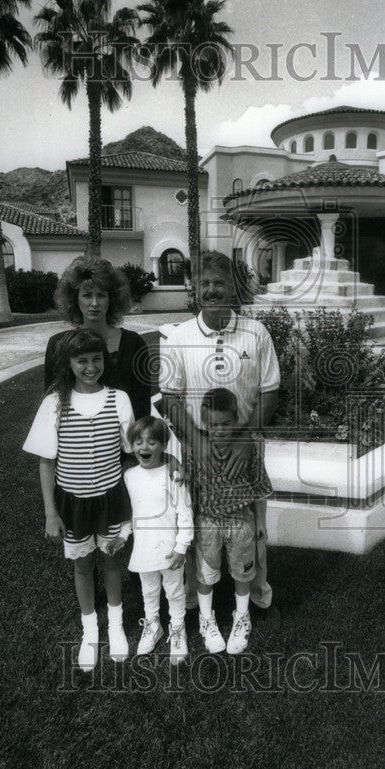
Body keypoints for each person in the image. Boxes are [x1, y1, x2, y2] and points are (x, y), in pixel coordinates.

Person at [161, 250, 280, 614]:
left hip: (245, 446)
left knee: (251, 528)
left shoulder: (256, 332)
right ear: (195, 289)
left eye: (220, 283)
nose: (212, 290)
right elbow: (169, 397)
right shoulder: (179, 336)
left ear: (233, 288)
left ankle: (257, 593)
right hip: (198, 449)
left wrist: (245, 439)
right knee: (198, 522)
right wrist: (197, 445)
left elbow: (270, 390)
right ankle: (198, 599)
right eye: (205, 283)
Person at [23, 328, 134, 671]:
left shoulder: (119, 399)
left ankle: (115, 627)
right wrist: (50, 513)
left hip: (111, 499)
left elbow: (131, 454)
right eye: (82, 360)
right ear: (68, 363)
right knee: (83, 564)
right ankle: (91, 632)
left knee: (113, 560)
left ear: (105, 361)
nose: (90, 367)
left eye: (96, 359)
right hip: (73, 503)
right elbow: (46, 462)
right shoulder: (55, 402)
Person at [189, 388, 272, 654]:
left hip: (240, 522)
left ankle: (242, 616)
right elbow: (189, 492)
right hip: (207, 522)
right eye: (213, 425)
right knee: (205, 573)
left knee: (242, 572)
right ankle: (206, 619)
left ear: (236, 421)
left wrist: (260, 522)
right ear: (204, 424)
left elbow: (260, 489)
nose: (220, 430)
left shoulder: (247, 451)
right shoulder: (197, 452)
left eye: (226, 424)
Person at [120, 415, 194, 665]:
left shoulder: (173, 475)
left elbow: (185, 512)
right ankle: (153, 625)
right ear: (131, 446)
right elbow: (131, 512)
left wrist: (182, 546)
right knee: (149, 590)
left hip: (170, 549)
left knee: (174, 590)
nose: (144, 448)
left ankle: (177, 628)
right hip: (143, 549)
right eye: (138, 442)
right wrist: (123, 536)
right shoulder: (129, 476)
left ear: (163, 446)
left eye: (152, 442)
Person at [44, 256, 155, 420]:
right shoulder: (57, 345)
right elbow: (51, 405)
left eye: (101, 295)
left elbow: (142, 410)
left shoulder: (134, 344)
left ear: (112, 299)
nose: (94, 303)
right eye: (87, 295)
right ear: (75, 299)